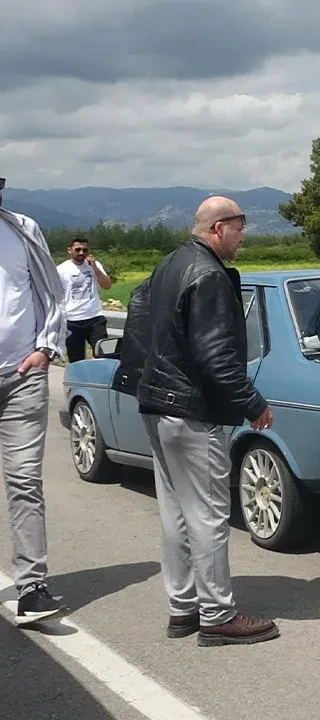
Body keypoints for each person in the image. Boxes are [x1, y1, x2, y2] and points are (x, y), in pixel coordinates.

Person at [133, 196, 279, 647]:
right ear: (218, 228)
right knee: (210, 514)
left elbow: (139, 319)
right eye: (239, 226)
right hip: (191, 409)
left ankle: (183, 608)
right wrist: (253, 402)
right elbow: (217, 356)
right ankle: (217, 614)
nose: (243, 235)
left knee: (175, 512)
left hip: (158, 403)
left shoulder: (170, 263)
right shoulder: (210, 275)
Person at [0, 175, 70, 626]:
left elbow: (50, 292)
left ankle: (32, 587)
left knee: (25, 482)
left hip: (21, 376)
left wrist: (46, 349)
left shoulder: (22, 229)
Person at [57, 237, 112, 363]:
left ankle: (104, 380)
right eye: (78, 250)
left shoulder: (95, 265)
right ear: (69, 250)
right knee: (77, 360)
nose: (81, 253)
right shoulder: (61, 270)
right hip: (72, 321)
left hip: (95, 318)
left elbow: (107, 286)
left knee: (105, 355)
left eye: (85, 250)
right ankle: (79, 381)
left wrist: (94, 268)